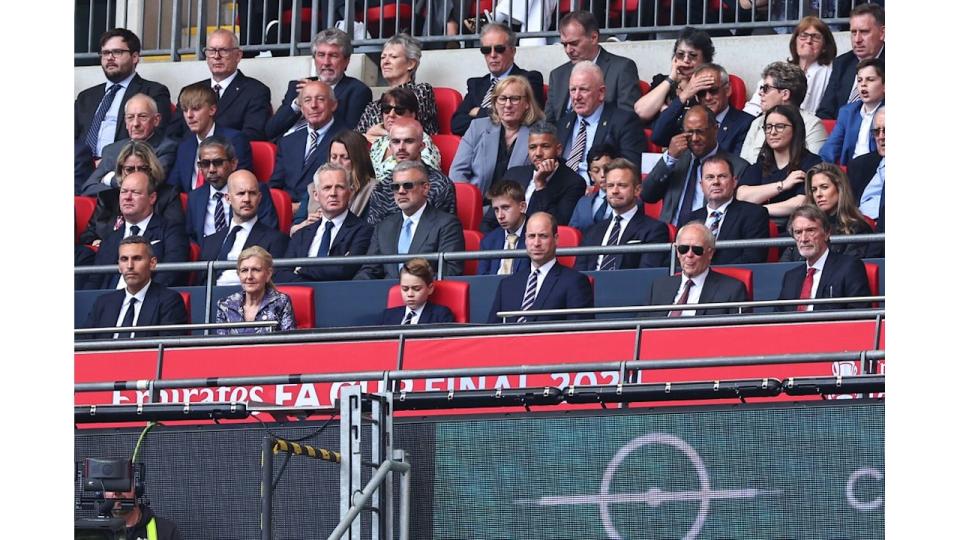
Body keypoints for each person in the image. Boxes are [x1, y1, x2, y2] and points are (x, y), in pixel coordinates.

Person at [355, 161, 465, 280]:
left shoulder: (446, 224)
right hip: (386, 295)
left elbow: (450, 272)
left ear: (425, 188)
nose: (401, 191)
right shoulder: (384, 227)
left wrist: (412, 287)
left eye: (408, 185)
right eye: (395, 187)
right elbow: (370, 270)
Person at [642, 105, 750, 226]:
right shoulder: (676, 159)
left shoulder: (737, 166)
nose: (694, 138)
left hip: (709, 235)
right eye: (689, 132)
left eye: (700, 132)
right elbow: (647, 194)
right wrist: (670, 158)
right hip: (669, 236)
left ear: (715, 129)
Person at [75, 28, 172, 158]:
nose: (109, 58)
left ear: (135, 57)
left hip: (122, 166)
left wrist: (107, 162)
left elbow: (155, 139)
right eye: (105, 53)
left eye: (117, 52)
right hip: (80, 167)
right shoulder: (85, 97)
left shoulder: (153, 92)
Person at [84, 172, 188, 289]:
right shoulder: (110, 238)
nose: (127, 197)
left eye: (135, 192)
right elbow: (95, 279)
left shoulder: (171, 230)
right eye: (123, 192)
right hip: (110, 302)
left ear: (152, 198)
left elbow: (172, 271)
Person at [487, 212, 594, 323]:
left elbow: (579, 333)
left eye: (543, 236)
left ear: (556, 239)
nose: (536, 243)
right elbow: (491, 331)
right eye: (531, 236)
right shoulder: (507, 285)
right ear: (525, 240)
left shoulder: (575, 282)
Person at [166, 29, 271, 141]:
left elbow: (252, 135)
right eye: (211, 51)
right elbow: (172, 135)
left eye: (223, 50)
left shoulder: (256, 91)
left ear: (238, 56)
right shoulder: (189, 91)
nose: (216, 56)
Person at [266, 28, 373, 138]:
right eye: (321, 55)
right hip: (284, 149)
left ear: (346, 61)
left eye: (333, 56)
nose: (326, 62)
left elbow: (348, 135)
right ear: (314, 59)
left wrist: (319, 96)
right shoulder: (297, 86)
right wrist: (298, 103)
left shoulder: (357, 91)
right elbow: (270, 131)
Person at [449, 75, 543, 199]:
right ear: (494, 103)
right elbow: (457, 172)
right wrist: (469, 202)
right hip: (478, 204)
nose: (508, 105)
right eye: (502, 98)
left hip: (518, 207)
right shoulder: (478, 127)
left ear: (527, 103)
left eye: (515, 99)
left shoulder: (539, 133)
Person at [481, 121, 584, 232]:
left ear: (558, 150)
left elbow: (558, 226)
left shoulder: (573, 182)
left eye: (545, 146)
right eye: (533, 147)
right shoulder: (514, 174)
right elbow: (489, 222)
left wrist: (541, 185)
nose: (538, 153)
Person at [278, 164, 374, 282]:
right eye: (327, 188)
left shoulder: (363, 230)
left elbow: (344, 269)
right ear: (316, 195)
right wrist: (308, 288)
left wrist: (301, 269)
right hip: (301, 297)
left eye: (339, 187)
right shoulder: (301, 234)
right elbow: (282, 274)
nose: (333, 193)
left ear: (350, 192)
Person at [79, 140, 185, 247]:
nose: (136, 173)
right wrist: (97, 243)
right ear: (120, 172)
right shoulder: (107, 198)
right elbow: (88, 235)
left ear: (152, 170)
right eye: (129, 169)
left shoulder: (168, 195)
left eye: (142, 169)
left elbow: (173, 235)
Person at [555, 62, 646, 186]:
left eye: (583, 89)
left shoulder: (624, 122)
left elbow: (630, 171)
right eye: (573, 90)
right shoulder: (562, 124)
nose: (576, 97)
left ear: (601, 92)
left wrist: (597, 189)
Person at [82, 236, 188, 340]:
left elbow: (170, 349)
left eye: (137, 258)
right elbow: (83, 344)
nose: (129, 265)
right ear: (119, 266)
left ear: (152, 263)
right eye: (124, 259)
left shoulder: (169, 301)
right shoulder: (103, 302)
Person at [544, 11, 641, 125]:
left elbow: (626, 120)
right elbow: (548, 123)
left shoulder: (622, 69)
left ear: (594, 38)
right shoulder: (557, 75)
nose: (568, 50)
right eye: (564, 44)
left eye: (574, 43)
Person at [450, 23, 545, 136]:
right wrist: (498, 116)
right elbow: (457, 125)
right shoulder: (476, 84)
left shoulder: (529, 79)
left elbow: (524, 117)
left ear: (513, 51)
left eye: (499, 49)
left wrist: (477, 112)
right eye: (486, 50)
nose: (493, 55)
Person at [576, 158, 669, 271]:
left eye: (622, 185)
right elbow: (579, 274)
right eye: (610, 185)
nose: (615, 191)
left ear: (637, 190)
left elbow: (646, 277)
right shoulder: (592, 231)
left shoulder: (655, 230)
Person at [198, 170, 288, 285]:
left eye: (252, 193)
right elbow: (200, 284)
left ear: (260, 198)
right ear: (228, 198)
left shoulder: (276, 240)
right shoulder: (210, 241)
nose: (247, 199)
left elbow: (273, 284)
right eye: (241, 193)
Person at [777, 205, 871, 311]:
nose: (803, 239)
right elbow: (777, 320)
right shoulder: (790, 277)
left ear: (826, 233)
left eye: (810, 230)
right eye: (798, 232)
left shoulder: (849, 267)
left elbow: (859, 315)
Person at [738, 104, 823, 222]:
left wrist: (758, 210)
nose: (772, 132)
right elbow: (741, 196)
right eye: (768, 127)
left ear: (795, 129)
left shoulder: (811, 162)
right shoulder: (761, 164)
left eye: (780, 126)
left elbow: (801, 202)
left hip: (794, 228)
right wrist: (782, 185)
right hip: (759, 226)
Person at [364, 119, 458, 225]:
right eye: (396, 142)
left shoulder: (440, 185)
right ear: (389, 147)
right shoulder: (382, 188)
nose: (401, 148)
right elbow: (374, 234)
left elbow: (443, 232)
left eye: (409, 141)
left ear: (422, 146)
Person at [80, 93, 178, 196]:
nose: (135, 124)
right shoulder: (112, 150)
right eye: (130, 117)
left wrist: (109, 179)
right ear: (125, 122)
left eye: (142, 117)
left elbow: (150, 183)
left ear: (156, 120)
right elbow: (89, 187)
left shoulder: (167, 147)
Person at [185, 136, 278, 243]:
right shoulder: (194, 197)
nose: (211, 170)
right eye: (205, 164)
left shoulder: (253, 192)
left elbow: (268, 233)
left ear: (233, 164)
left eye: (218, 162)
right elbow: (191, 238)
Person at [650, 63, 753, 156]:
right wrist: (683, 96)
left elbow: (738, 166)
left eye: (713, 91)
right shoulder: (689, 120)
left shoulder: (745, 123)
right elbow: (658, 137)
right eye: (701, 93)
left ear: (727, 90)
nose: (707, 97)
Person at [647, 222, 749, 317]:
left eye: (697, 250)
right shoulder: (659, 287)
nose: (689, 255)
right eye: (683, 249)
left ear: (710, 253)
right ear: (677, 252)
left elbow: (739, 332)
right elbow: (641, 326)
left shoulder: (732, 290)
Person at [167, 82, 253, 193]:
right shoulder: (185, 145)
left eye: (196, 108)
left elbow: (241, 184)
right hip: (191, 207)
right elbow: (173, 185)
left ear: (212, 110)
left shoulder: (235, 140)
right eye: (185, 110)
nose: (189, 115)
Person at [268, 80, 345, 206]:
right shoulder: (288, 141)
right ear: (302, 108)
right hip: (284, 209)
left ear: (333, 105)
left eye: (320, 99)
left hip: (319, 210)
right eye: (307, 100)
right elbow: (275, 184)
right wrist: (282, 207)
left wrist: (302, 208)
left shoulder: (346, 140)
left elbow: (344, 187)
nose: (313, 105)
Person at [743, 16, 838, 117]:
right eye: (803, 36)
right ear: (795, 41)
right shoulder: (779, 71)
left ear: (825, 46)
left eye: (815, 37)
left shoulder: (832, 73)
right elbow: (753, 107)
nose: (809, 41)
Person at [684, 154, 769, 264]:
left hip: (732, 278)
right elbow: (678, 259)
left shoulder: (754, 214)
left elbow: (753, 258)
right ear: (701, 185)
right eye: (710, 177)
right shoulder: (688, 220)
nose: (716, 182)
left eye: (722, 176)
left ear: (734, 182)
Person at [780, 162, 873, 262]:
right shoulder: (801, 226)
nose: (818, 194)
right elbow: (784, 267)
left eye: (824, 187)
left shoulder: (857, 228)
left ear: (840, 188)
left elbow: (849, 269)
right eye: (814, 190)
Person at [739, 61, 828, 164]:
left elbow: (813, 170)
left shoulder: (813, 124)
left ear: (785, 94)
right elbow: (743, 166)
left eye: (766, 88)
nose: (760, 93)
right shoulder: (757, 122)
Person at [291, 130, 377, 232]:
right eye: (334, 157)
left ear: (358, 160)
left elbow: (370, 231)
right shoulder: (314, 186)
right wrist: (306, 224)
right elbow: (294, 229)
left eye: (345, 158)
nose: (337, 163)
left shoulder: (373, 190)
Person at [354, 33, 439, 137]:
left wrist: (375, 133)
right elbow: (356, 138)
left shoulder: (422, 91)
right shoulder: (373, 106)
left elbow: (407, 127)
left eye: (393, 57)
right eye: (382, 57)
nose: (385, 62)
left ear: (411, 64)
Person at [816, 3, 885, 120]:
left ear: (882, 33)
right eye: (853, 32)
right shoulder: (842, 63)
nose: (857, 39)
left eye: (864, 32)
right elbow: (825, 111)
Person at [633, 27, 713, 124]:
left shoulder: (708, 85)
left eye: (692, 55)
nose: (686, 60)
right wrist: (671, 78)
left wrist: (667, 110)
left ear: (705, 60)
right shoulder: (662, 81)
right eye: (680, 54)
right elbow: (640, 113)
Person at [216, 246, 298, 334]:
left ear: (268, 274)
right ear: (238, 274)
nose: (249, 276)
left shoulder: (282, 302)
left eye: (256, 270)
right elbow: (221, 345)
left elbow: (288, 342)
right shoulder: (225, 305)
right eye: (244, 270)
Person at [819, 59, 884, 166]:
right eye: (859, 80)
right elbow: (830, 149)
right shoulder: (848, 112)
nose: (863, 84)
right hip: (851, 172)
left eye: (870, 80)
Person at [367, 87, 441, 175]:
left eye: (399, 110)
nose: (391, 115)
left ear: (413, 115)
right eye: (386, 109)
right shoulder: (379, 143)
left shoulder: (423, 143)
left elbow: (427, 179)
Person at [379, 258, 456, 325]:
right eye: (405, 289)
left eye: (416, 289)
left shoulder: (441, 315)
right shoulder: (387, 316)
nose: (410, 294)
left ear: (430, 288)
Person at [478, 180, 529, 276]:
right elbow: (483, 280)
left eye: (505, 208)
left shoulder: (536, 236)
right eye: (496, 209)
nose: (500, 216)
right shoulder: (489, 241)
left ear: (522, 207)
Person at [102, 480, 183, 540]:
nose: (116, 493)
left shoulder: (166, 531)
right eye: (110, 485)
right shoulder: (95, 531)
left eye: (123, 484)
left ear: (137, 489)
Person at [568, 145, 616, 233]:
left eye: (607, 168)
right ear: (591, 176)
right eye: (596, 170)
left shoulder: (630, 202)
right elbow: (573, 233)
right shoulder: (583, 203)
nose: (602, 174)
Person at [853, 106, 885, 227]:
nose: (881, 137)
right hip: (860, 228)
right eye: (877, 132)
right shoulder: (860, 165)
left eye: (887, 130)